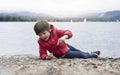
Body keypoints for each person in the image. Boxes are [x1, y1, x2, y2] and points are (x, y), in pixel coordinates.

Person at [34, 20, 101, 60]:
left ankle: (90, 53)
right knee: (80, 54)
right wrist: (47, 57)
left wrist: (64, 37)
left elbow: (69, 32)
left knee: (78, 51)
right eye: (40, 35)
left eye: (44, 33)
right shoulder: (41, 42)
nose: (42, 36)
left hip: (66, 46)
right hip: (63, 54)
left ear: (49, 30)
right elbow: (42, 53)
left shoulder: (55, 31)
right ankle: (90, 56)